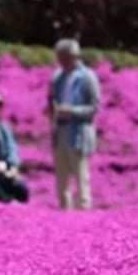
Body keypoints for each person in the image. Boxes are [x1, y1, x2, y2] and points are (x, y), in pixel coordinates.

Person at [47, 38, 101, 210]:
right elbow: (52, 99)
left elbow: (94, 107)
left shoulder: (87, 77)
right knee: (62, 179)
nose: (59, 61)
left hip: (78, 132)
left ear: (72, 56)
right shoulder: (58, 77)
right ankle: (65, 215)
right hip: (60, 130)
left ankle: (84, 215)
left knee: (81, 176)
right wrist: (51, 109)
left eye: (62, 57)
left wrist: (71, 111)